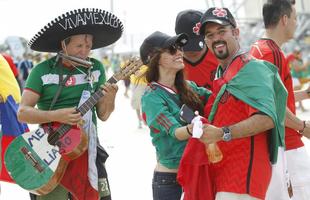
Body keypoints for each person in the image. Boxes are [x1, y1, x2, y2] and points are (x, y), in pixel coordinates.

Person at [17, 8, 123, 200]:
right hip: (51, 151)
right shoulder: (41, 71)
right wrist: (56, 116)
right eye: (78, 46)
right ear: (63, 45)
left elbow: (104, 115)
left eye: (88, 46)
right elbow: (23, 112)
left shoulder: (96, 69)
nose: (84, 52)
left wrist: (111, 97)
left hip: (87, 148)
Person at [195, 7, 287, 199]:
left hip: (243, 177)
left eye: (222, 32)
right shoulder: (225, 71)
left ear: (236, 32)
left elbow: (267, 118)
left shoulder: (251, 68)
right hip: (225, 174)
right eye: (210, 35)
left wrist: (222, 133)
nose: (216, 39)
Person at [139, 31, 212, 200]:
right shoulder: (152, 97)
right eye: (172, 49)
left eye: (179, 48)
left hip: (197, 174)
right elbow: (175, 132)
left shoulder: (188, 87)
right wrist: (195, 128)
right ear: (153, 58)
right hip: (170, 182)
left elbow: (216, 99)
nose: (180, 52)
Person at [249, 1, 310, 199]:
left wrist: (305, 93)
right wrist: (302, 126)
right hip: (285, 144)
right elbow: (273, 106)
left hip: (276, 145)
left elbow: (279, 97)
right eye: (295, 18)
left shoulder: (259, 49)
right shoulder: (271, 53)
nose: (296, 22)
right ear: (284, 20)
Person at [175, 9, 218, 91]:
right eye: (186, 44)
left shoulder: (220, 57)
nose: (191, 51)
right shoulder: (171, 63)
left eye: (196, 44)